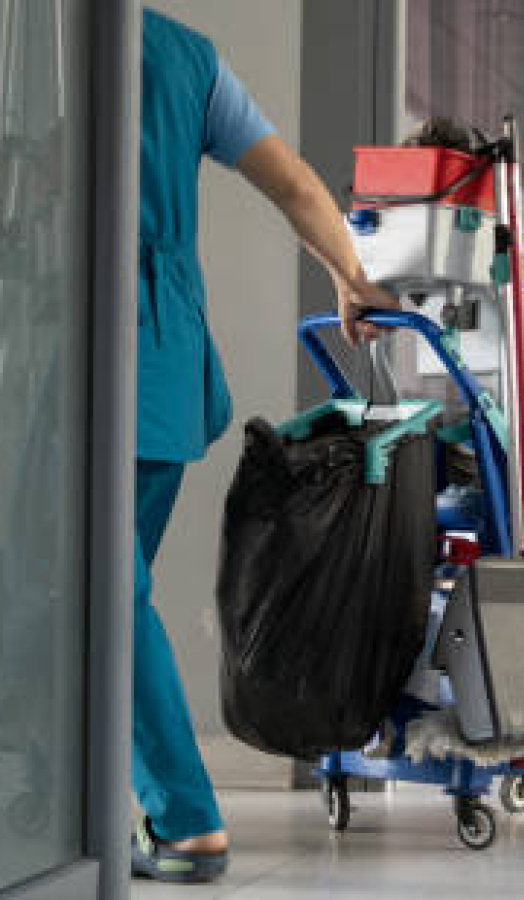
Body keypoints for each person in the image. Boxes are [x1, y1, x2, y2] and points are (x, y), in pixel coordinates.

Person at [131, 9, 395, 883]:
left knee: (97, 593)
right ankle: (86, 795)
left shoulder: (37, 37)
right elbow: (296, 186)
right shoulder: (187, 59)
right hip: (163, 359)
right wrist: (350, 278)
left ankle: (184, 821)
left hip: (83, 360)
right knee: (93, 591)